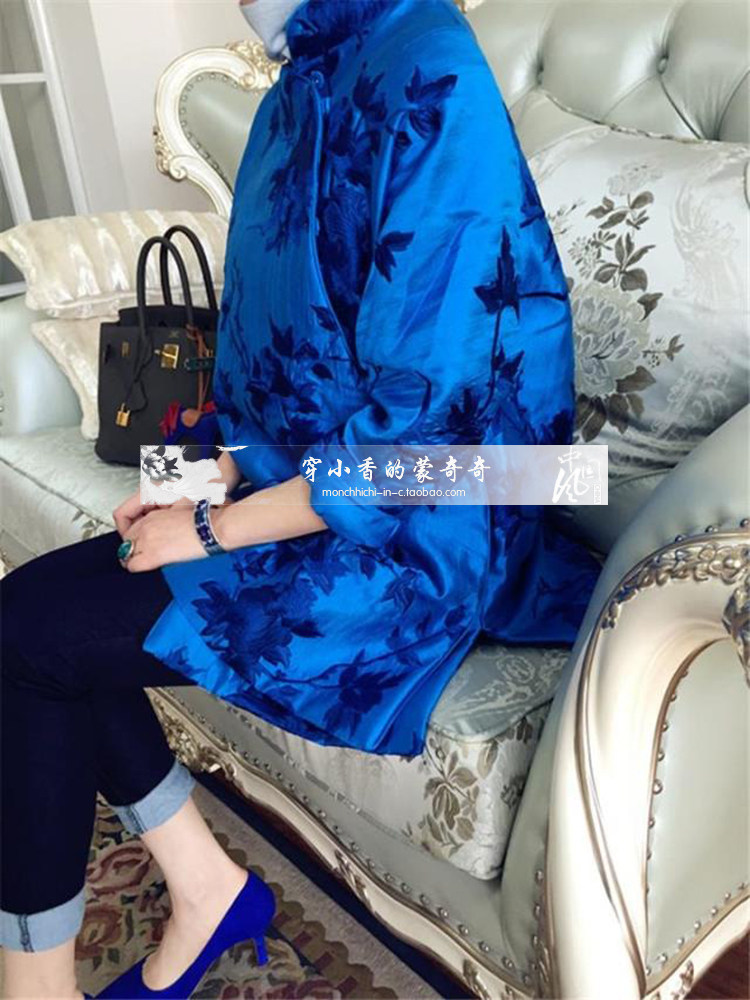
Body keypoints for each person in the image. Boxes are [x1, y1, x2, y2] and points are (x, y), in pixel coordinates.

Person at [0, 0, 602, 997]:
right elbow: (272, 376)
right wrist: (184, 483)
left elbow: (430, 423)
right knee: (34, 619)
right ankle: (206, 892)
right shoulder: (291, 95)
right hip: (310, 497)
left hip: (437, 521)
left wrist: (210, 527)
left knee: (30, 637)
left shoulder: (430, 68)